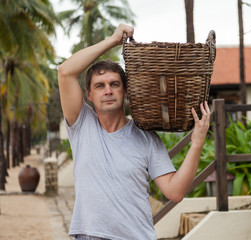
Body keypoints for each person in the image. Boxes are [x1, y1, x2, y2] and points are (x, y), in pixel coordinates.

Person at [57, 23, 211, 240]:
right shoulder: (81, 125)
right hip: (89, 235)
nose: (108, 90)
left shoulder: (146, 138)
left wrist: (196, 143)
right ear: (89, 95)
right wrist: (113, 40)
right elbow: (65, 71)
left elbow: (174, 192)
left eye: (114, 84)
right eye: (100, 86)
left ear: (126, 90)